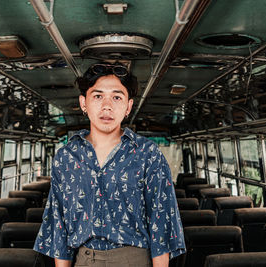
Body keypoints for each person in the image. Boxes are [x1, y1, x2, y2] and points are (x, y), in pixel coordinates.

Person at [33, 62, 185, 267]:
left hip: (135, 260)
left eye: (117, 97)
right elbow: (58, 227)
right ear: (83, 103)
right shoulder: (66, 157)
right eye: (97, 96)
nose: (107, 106)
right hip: (85, 260)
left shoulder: (147, 153)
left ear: (128, 106)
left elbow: (161, 225)